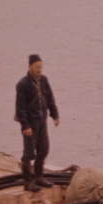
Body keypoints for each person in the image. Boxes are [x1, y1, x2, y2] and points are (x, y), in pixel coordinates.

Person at [14, 54, 60, 192]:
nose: (40, 70)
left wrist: (55, 115)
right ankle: (28, 182)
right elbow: (20, 108)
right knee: (28, 154)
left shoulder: (44, 80)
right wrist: (25, 126)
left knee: (44, 150)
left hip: (42, 122)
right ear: (29, 67)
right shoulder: (23, 84)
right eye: (37, 67)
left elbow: (50, 99)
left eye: (41, 67)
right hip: (30, 124)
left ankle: (39, 177)